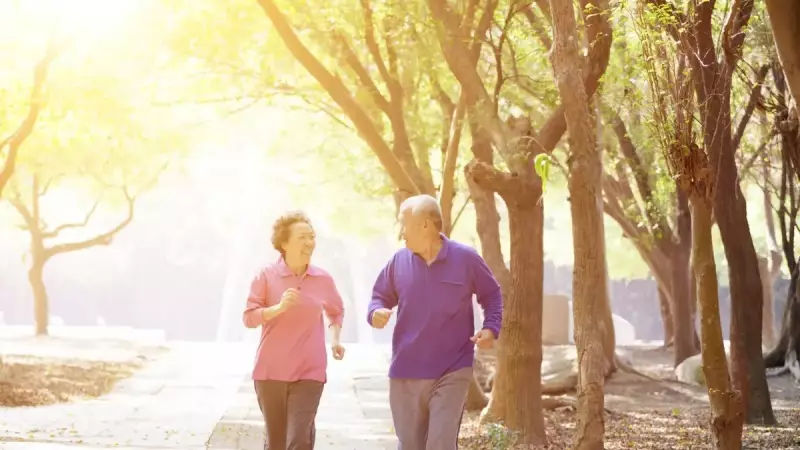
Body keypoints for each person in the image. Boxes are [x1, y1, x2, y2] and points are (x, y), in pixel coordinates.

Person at [367, 194, 503, 450]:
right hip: (406, 371)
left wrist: (490, 327)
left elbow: (492, 294)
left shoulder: (465, 259)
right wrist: (376, 312)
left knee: (440, 443)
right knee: (410, 445)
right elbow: (379, 297)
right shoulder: (398, 261)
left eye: (404, 224)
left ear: (425, 224)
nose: (401, 233)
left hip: (452, 368)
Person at [243, 211, 346, 450]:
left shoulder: (323, 279)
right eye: (302, 237)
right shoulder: (266, 275)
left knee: (299, 440)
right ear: (284, 243)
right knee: (277, 444)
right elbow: (248, 317)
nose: (310, 242)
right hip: (270, 373)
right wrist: (277, 308)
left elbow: (336, 311)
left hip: (310, 372)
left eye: (312, 237)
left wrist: (335, 340)